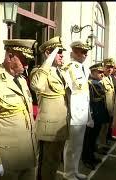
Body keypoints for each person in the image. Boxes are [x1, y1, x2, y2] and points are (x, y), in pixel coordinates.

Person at [0, 39, 38, 180]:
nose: (27, 65)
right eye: (23, 60)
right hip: (8, 160)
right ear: (10, 57)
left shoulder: (22, 80)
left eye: (28, 60)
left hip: (28, 155)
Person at [30, 36, 70, 180]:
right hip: (48, 128)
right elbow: (37, 86)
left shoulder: (61, 72)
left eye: (61, 53)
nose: (61, 56)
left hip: (61, 125)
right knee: (44, 164)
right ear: (48, 53)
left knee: (54, 162)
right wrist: (48, 60)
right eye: (58, 52)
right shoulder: (39, 71)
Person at [63, 40, 92, 180]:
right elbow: (68, 91)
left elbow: (85, 93)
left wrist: (89, 115)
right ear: (74, 52)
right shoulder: (68, 67)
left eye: (86, 52)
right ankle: (68, 174)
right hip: (73, 112)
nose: (85, 55)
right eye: (82, 52)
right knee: (71, 146)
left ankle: (74, 170)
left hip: (82, 112)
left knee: (78, 145)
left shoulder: (85, 69)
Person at [81, 62, 109, 170]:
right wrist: (90, 116)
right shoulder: (89, 83)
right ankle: (86, 159)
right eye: (100, 72)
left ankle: (91, 156)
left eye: (102, 72)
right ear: (92, 72)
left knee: (94, 138)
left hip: (99, 114)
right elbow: (87, 102)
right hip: (92, 115)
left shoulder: (98, 82)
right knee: (88, 139)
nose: (102, 74)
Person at [97, 58, 115, 153]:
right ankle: (99, 146)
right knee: (102, 128)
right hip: (103, 108)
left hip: (109, 108)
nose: (110, 69)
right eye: (108, 67)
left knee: (106, 127)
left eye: (111, 67)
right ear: (103, 67)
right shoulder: (101, 78)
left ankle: (103, 144)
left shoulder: (110, 78)